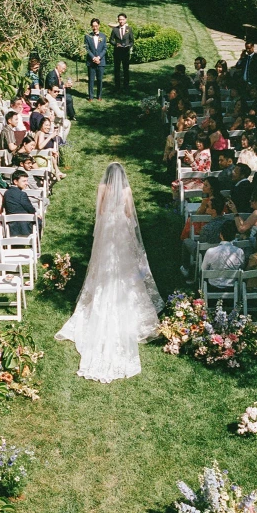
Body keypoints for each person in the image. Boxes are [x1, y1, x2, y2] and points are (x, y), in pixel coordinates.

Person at [55, 163, 163, 383]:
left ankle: (101, 295)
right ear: (123, 177)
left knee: (103, 267)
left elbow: (101, 211)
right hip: (121, 230)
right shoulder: (126, 191)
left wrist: (106, 224)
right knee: (124, 269)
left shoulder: (102, 188)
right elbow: (129, 213)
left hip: (107, 230)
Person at [201, 220, 244, 289]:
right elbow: (241, 268)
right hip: (232, 287)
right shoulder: (240, 252)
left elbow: (203, 270)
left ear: (221, 235)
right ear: (235, 236)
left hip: (212, 286)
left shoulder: (210, 251)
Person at [3, 170, 39, 236]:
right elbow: (30, 208)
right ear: (15, 181)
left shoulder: (6, 193)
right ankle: (37, 242)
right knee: (39, 220)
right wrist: (36, 214)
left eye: (27, 181)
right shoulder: (22, 194)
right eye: (24, 181)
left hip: (11, 226)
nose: (27, 183)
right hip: (24, 227)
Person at [109, 13, 134, 92]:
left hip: (125, 52)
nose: (121, 21)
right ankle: (117, 87)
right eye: (119, 19)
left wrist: (128, 46)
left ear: (125, 20)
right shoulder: (115, 29)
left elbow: (132, 41)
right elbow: (111, 40)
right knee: (117, 70)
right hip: (117, 52)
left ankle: (126, 86)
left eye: (122, 19)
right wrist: (116, 44)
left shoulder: (129, 29)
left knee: (126, 70)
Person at [84, 18, 107, 101]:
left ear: (99, 26)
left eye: (96, 26)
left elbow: (105, 48)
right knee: (91, 80)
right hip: (91, 61)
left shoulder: (103, 36)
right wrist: (93, 57)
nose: (95, 28)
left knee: (100, 80)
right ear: (91, 26)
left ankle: (99, 96)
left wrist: (99, 57)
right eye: (93, 26)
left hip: (101, 62)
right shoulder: (87, 36)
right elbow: (86, 48)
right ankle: (90, 96)